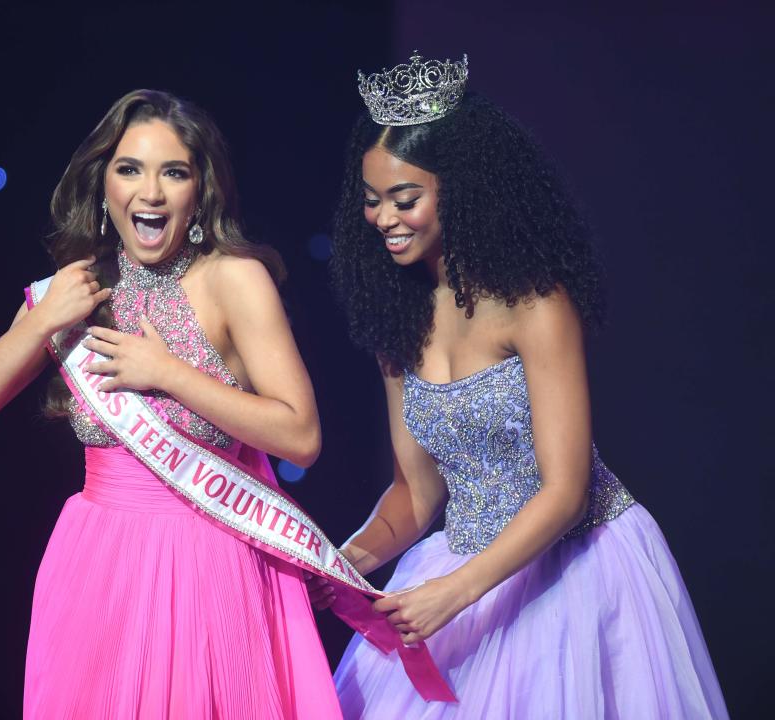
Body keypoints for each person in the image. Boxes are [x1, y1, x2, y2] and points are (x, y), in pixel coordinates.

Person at [308, 53, 729, 719]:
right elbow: (416, 494)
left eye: (405, 199)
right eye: (372, 200)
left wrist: (454, 592)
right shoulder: (397, 319)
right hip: (459, 567)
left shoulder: (534, 302)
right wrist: (346, 560)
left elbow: (566, 491)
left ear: (462, 189)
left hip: (578, 569)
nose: (385, 218)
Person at [0, 89, 342, 719]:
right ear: (103, 186)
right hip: (96, 563)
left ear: (199, 191)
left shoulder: (234, 278)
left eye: (173, 172)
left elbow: (300, 434)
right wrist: (37, 327)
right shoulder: (76, 289)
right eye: (130, 169)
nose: (149, 192)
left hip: (206, 563)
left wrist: (168, 373)